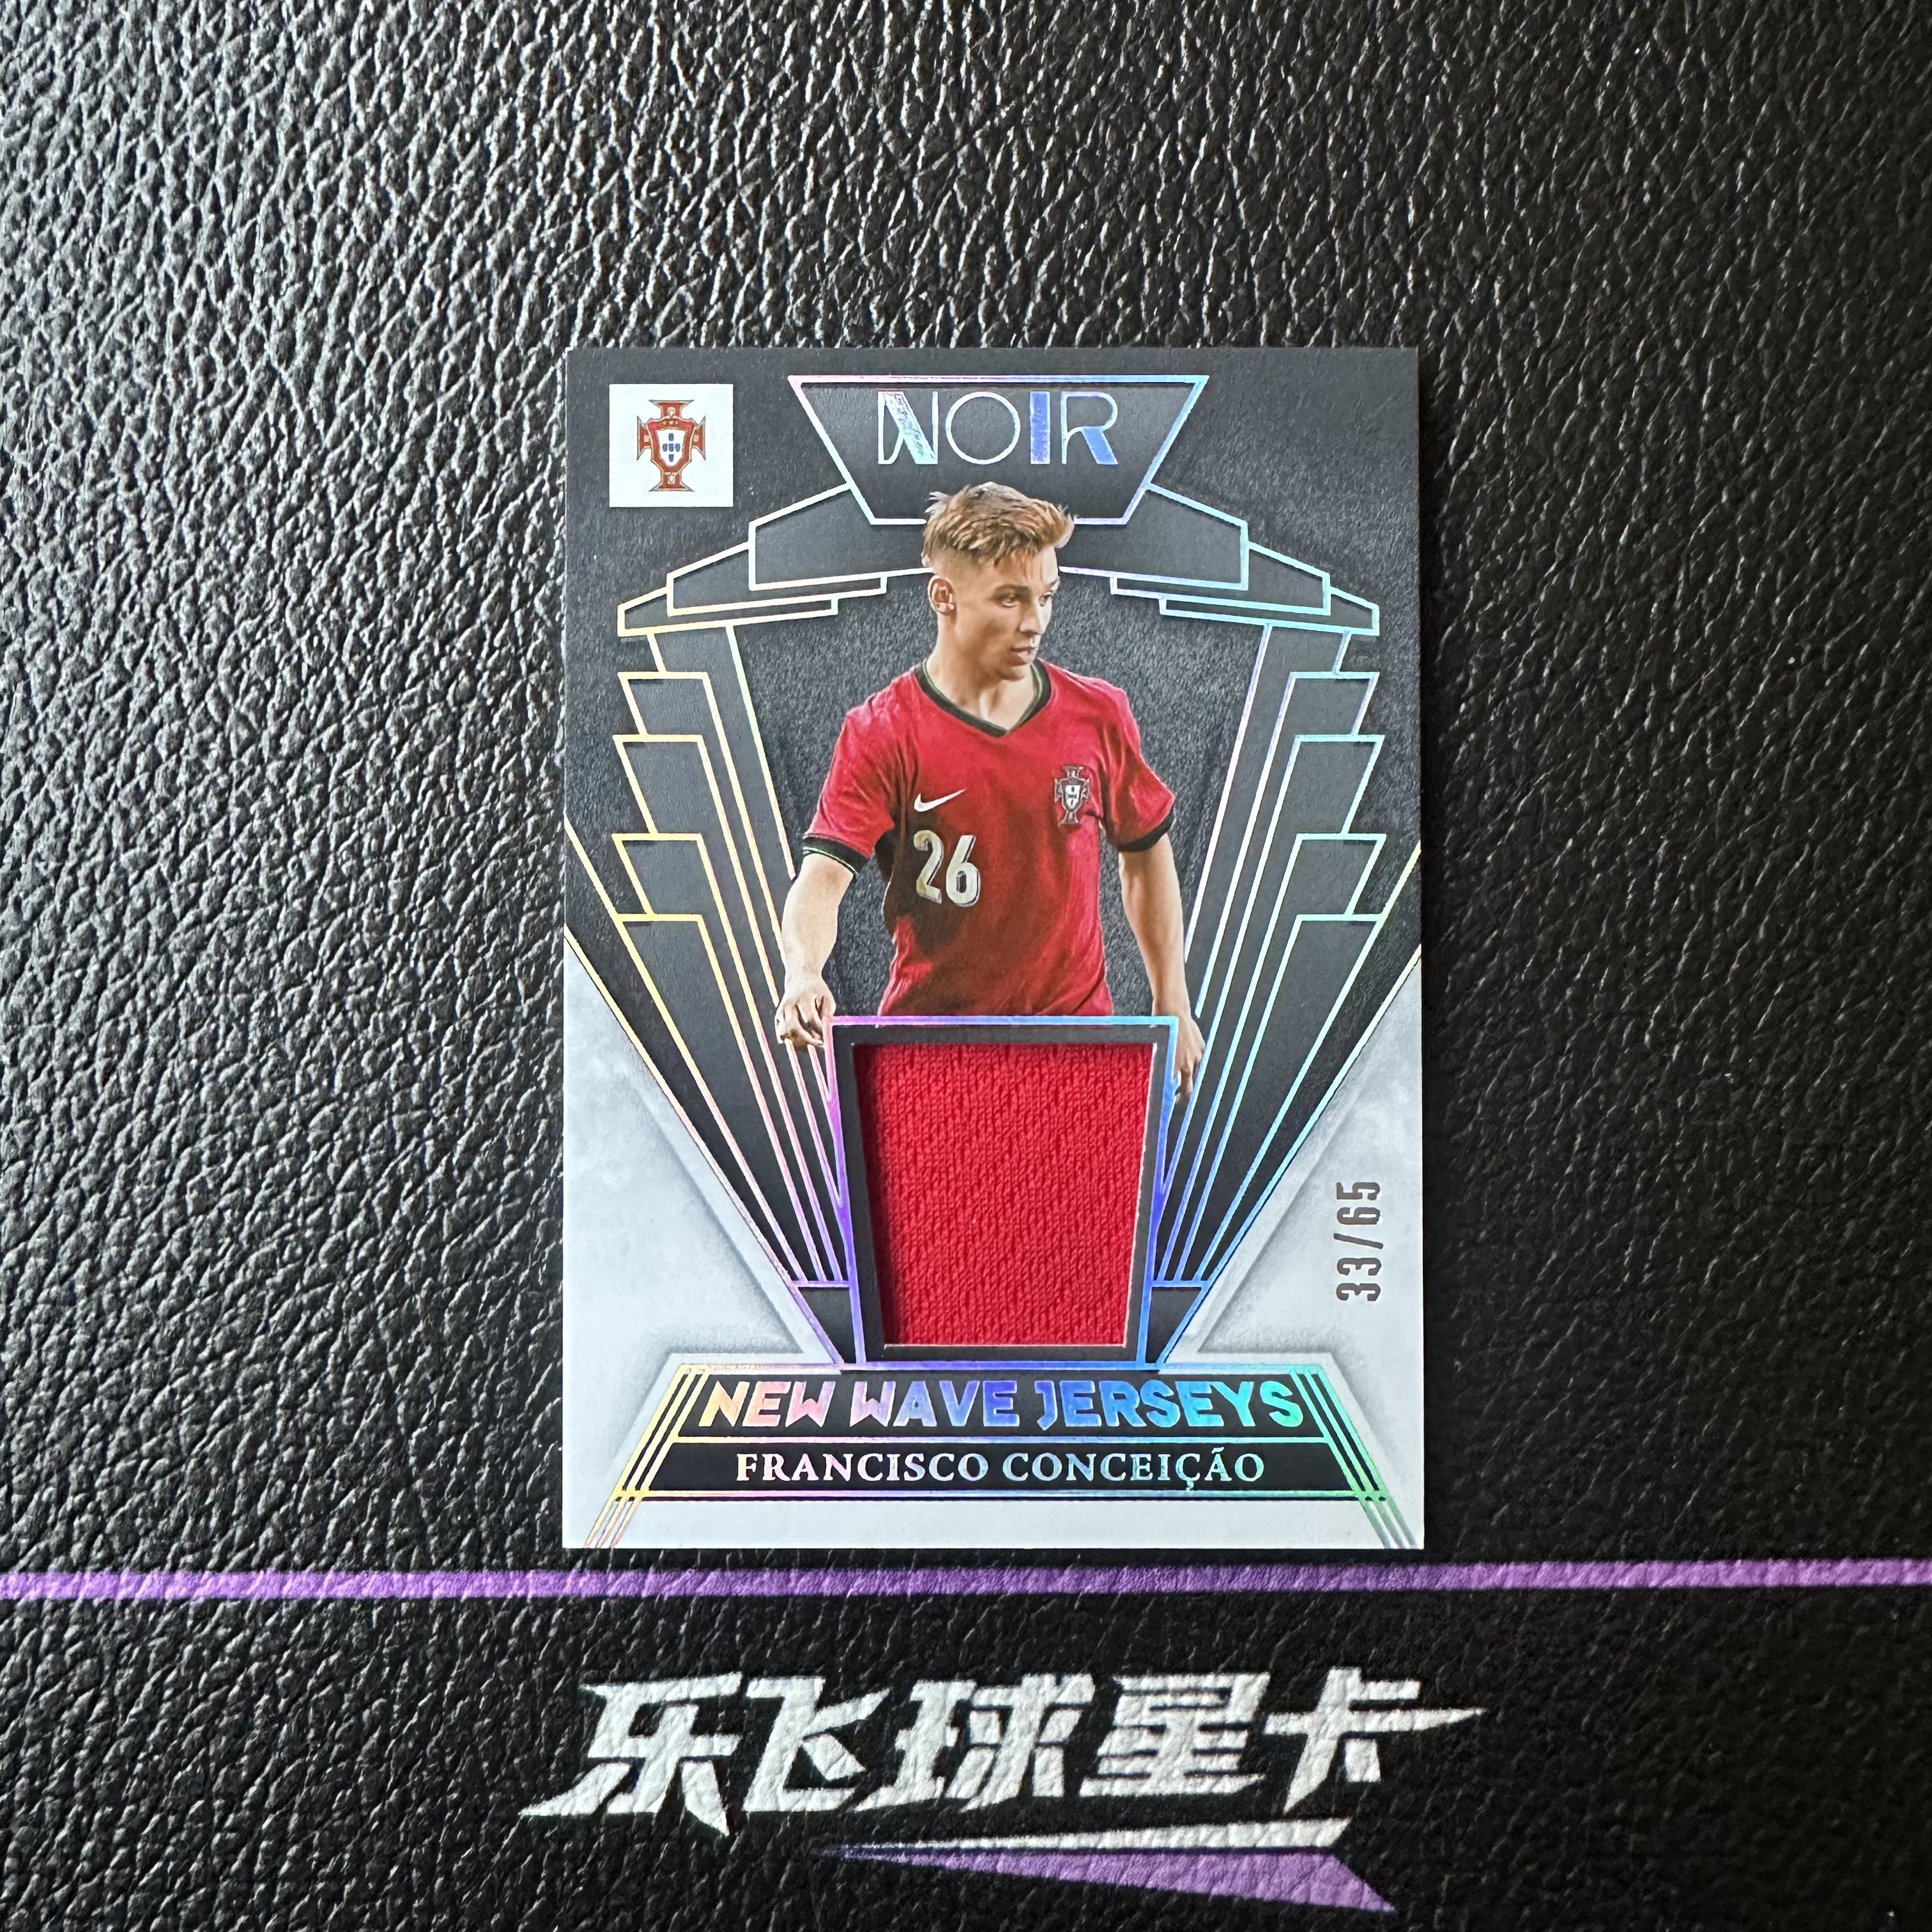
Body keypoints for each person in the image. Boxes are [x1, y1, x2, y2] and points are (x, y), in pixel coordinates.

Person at [773, 481, 1206, 1097]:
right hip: (929, 1053)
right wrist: (802, 972)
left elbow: (1145, 853)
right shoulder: (882, 731)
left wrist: (1173, 1002)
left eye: (1046, 597)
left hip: (1075, 1048)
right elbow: (822, 877)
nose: (1035, 622)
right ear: (943, 597)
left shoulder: (1099, 714)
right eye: (1010, 599)